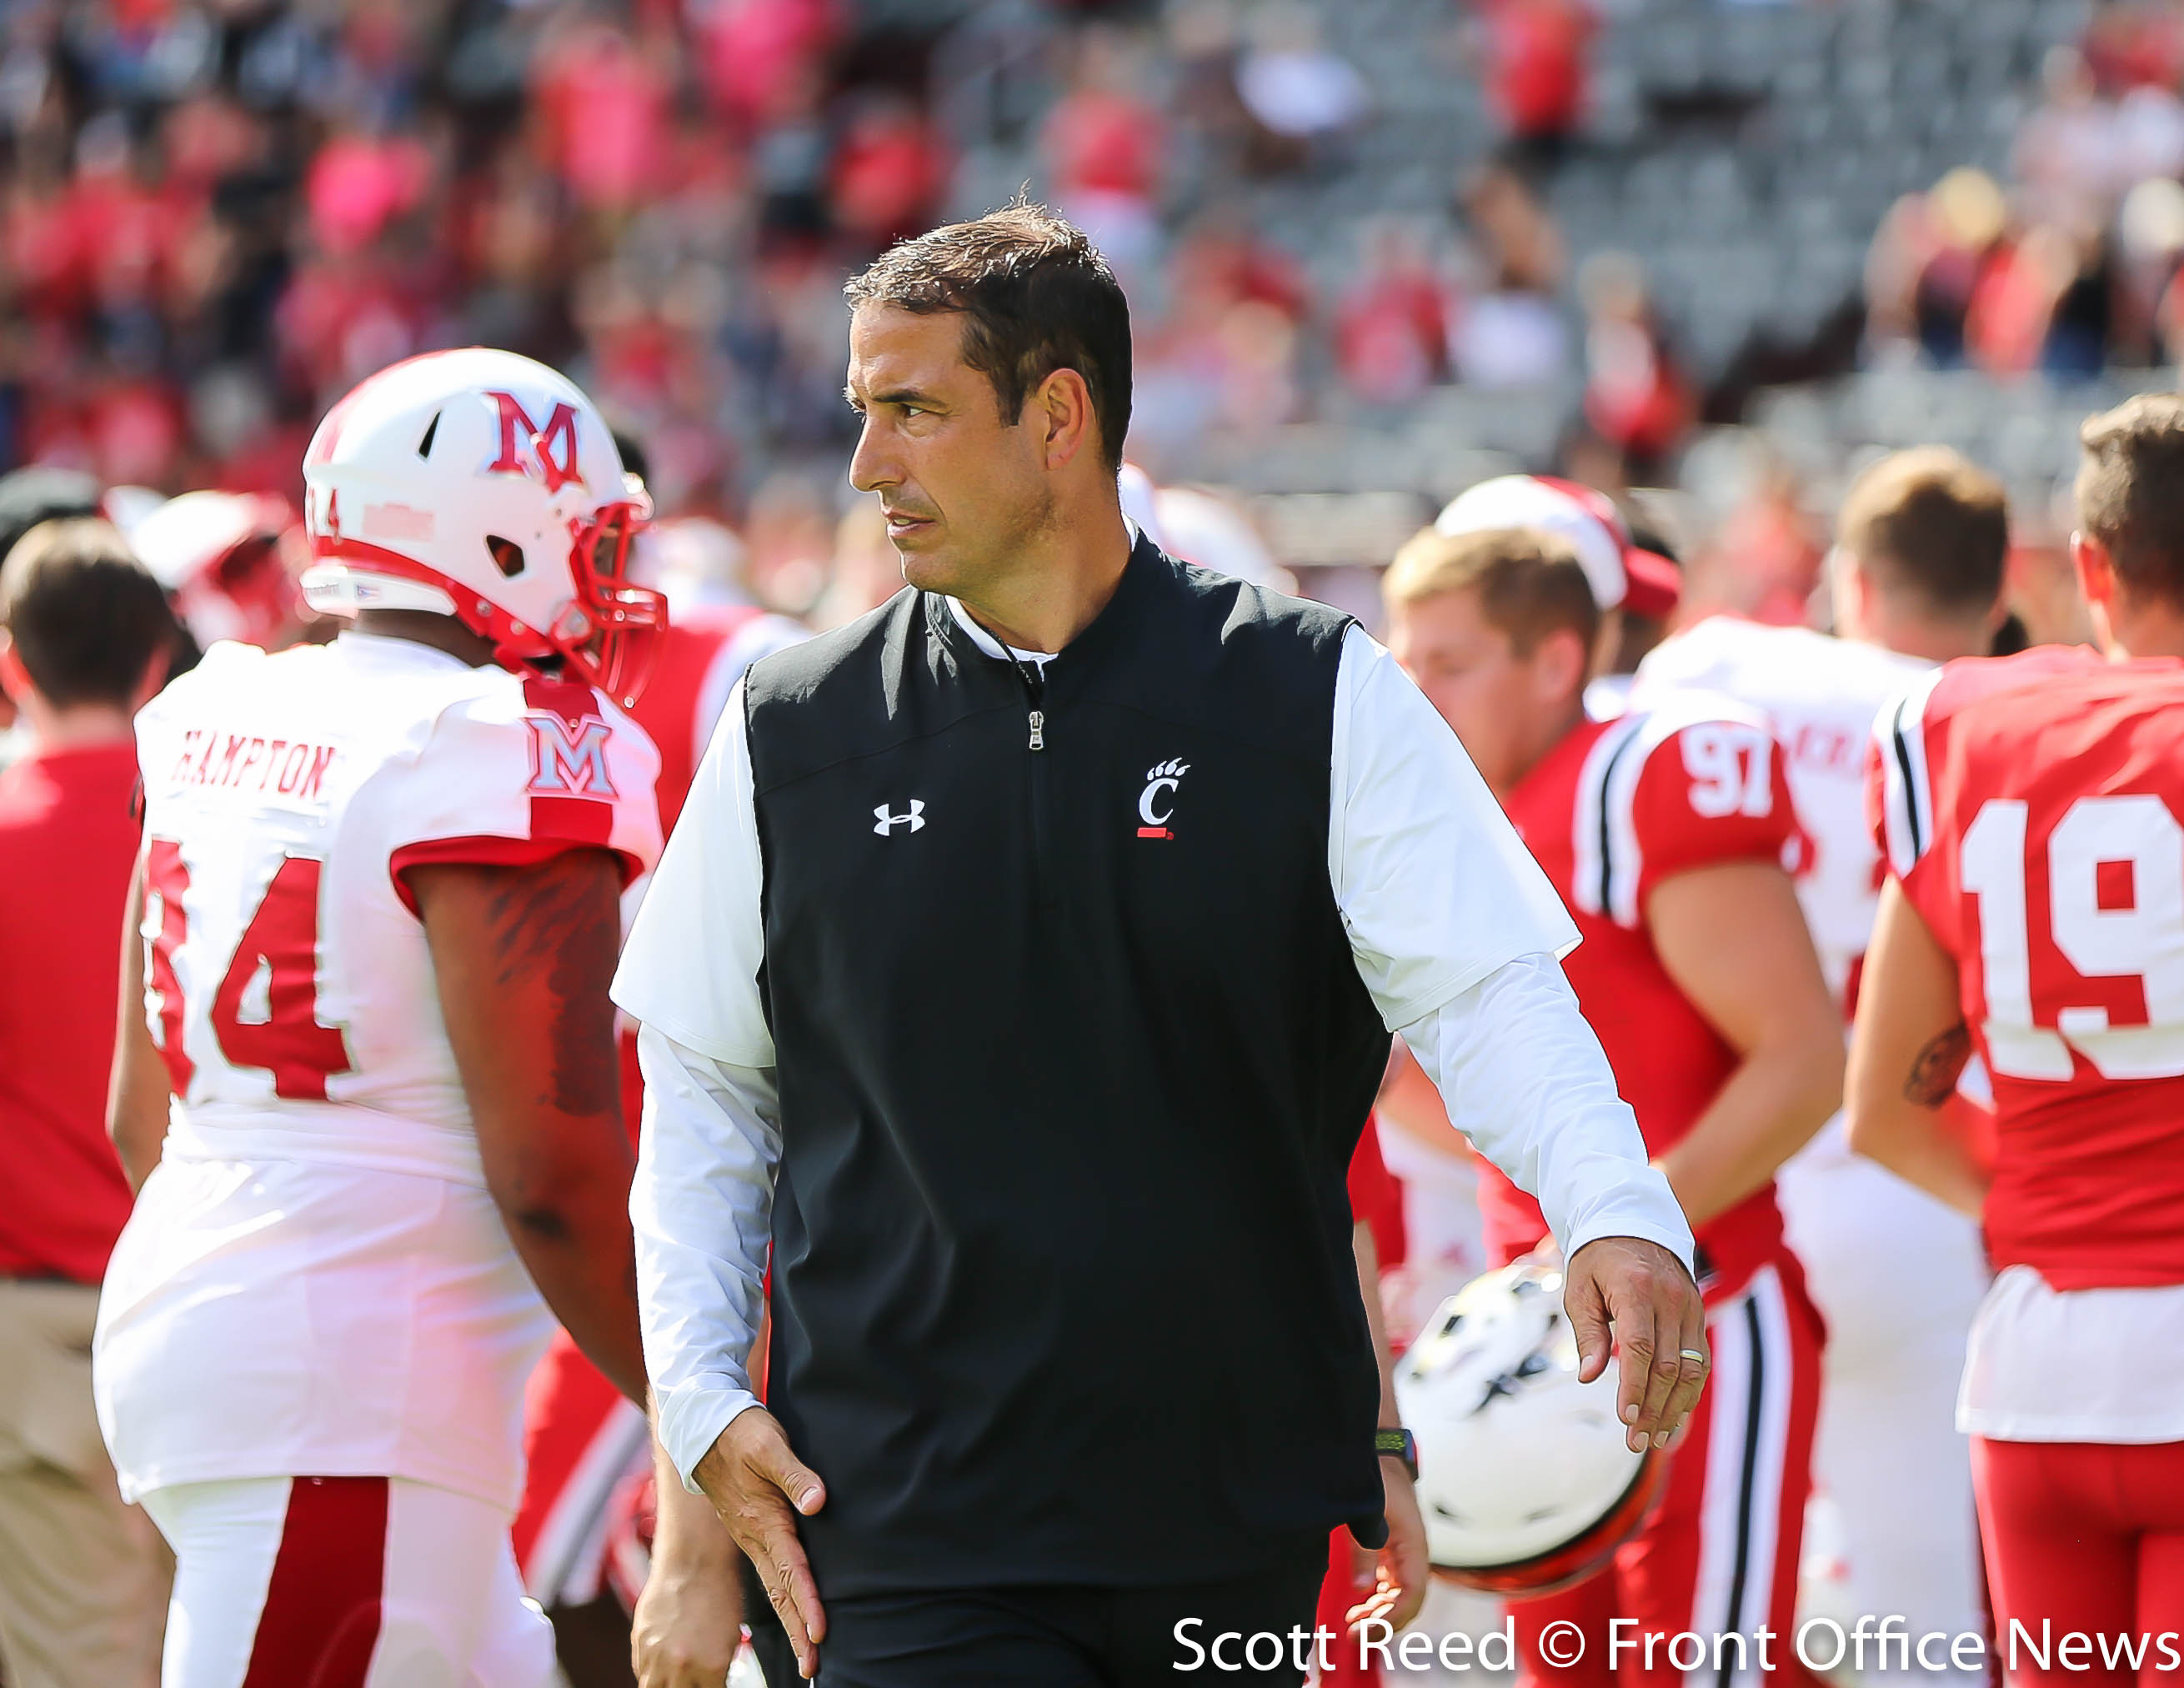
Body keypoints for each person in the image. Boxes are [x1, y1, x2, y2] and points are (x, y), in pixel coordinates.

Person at [616, 203, 1707, 1688]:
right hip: (904, 1531)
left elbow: (1484, 993)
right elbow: (704, 1090)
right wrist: (692, 1394)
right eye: (864, 412)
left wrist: (1613, 1202)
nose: (868, 464)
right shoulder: (789, 726)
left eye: (915, 411)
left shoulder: (1314, 690)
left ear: (1058, 416)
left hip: (1228, 1522)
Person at [92, 348, 665, 1686]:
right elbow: (555, 1176)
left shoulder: (216, 704)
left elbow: (140, 1112)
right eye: (588, 535)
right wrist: (717, 1406)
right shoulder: (487, 742)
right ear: (499, 530)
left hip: (261, 1333)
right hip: (350, 1388)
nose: (604, 570)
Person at [1382, 524, 1841, 1688]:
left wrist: (1608, 1223)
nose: (1413, 685)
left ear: (1554, 659)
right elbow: (1433, 1095)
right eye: (1405, 654)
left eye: (1449, 660)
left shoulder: (1630, 778)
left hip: (1703, 1310)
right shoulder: (1455, 818)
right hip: (1541, 1346)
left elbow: (1802, 1059)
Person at [1632, 448, 2009, 1654]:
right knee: (1926, 1622)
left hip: (1738, 1181)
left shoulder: (1724, 668)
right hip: (1923, 1184)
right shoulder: (1986, 717)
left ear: (1851, 577)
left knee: (1712, 1604)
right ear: (2000, 600)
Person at [1848, 394, 2184, 1668]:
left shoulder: (1965, 731)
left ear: (2089, 569)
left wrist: (2054, 1203)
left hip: (2039, 1376)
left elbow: (1885, 1105)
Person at [0, 519, 178, 1688]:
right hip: (208, 1300)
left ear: (11, 663)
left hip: (47, 1329)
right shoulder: (218, 815)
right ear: (157, 661)